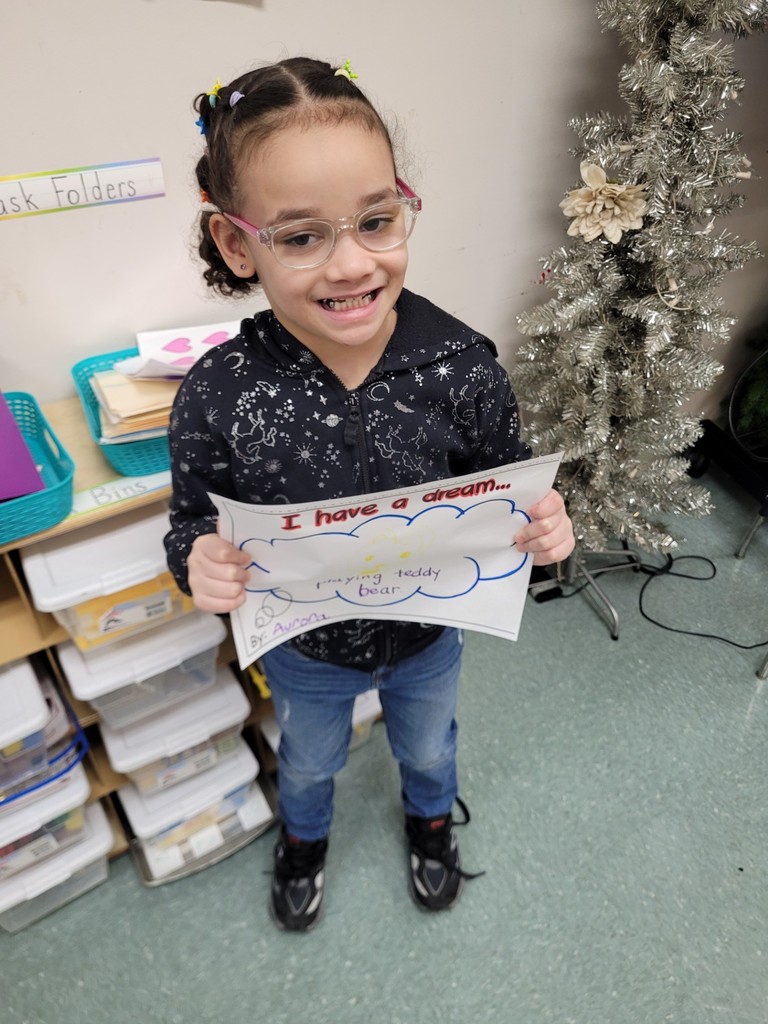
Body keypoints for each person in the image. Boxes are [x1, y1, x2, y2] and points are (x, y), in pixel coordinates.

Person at [164, 56, 574, 932]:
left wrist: (543, 529)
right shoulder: (219, 394)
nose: (352, 265)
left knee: (428, 744)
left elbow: (509, 484)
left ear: (401, 206)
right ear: (237, 244)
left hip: (428, 636)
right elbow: (193, 521)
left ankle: (430, 822)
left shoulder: (460, 368)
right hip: (305, 650)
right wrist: (197, 565)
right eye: (303, 236)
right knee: (310, 764)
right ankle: (303, 838)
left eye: (377, 221)